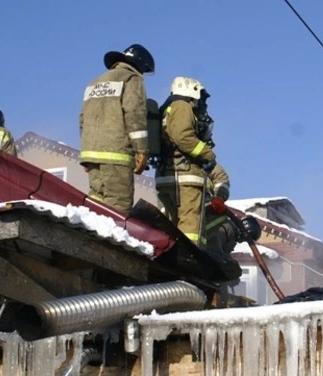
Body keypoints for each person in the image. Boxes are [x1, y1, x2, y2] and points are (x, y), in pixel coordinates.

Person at [79, 44, 154, 213]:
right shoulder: (131, 79)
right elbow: (135, 115)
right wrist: (142, 151)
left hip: (91, 153)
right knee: (118, 207)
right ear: (140, 65)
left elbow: (83, 118)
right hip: (116, 154)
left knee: (96, 204)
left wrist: (86, 153)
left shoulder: (95, 82)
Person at [155, 76, 218, 245]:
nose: (202, 103)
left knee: (171, 224)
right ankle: (189, 260)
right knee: (190, 226)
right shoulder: (182, 106)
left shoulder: (167, 108)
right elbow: (182, 136)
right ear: (193, 91)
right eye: (201, 97)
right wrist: (207, 154)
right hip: (185, 177)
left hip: (167, 174)